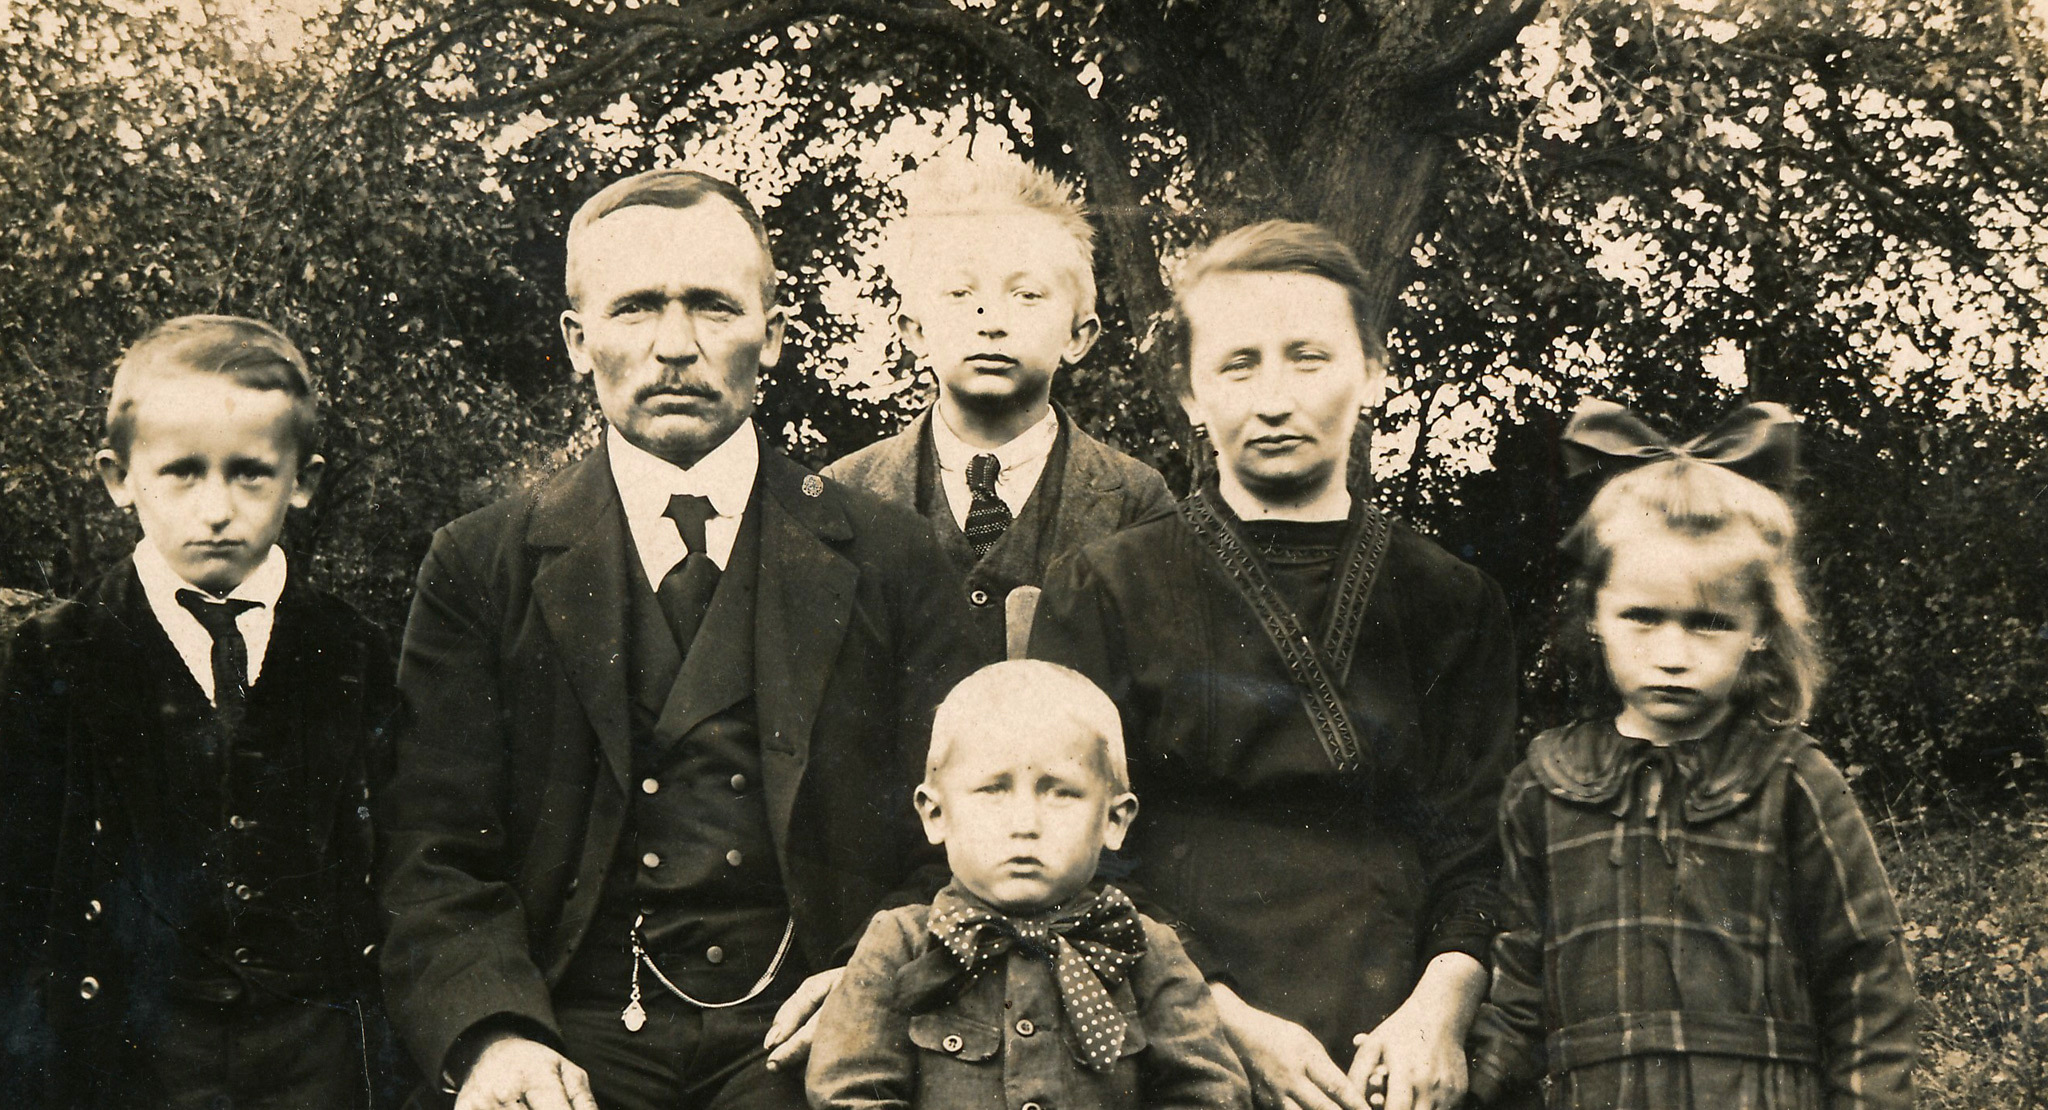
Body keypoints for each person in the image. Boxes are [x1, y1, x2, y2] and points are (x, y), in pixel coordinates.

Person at [376, 169, 968, 1110]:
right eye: (636, 307)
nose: (676, 345)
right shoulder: (481, 565)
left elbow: (961, 835)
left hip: (814, 1028)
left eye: (713, 306)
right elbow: (432, 853)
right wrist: (492, 1035)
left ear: (772, 334)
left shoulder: (894, 558)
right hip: (564, 1027)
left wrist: (878, 978)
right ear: (579, 342)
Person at [1029, 220, 1518, 1110]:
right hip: (1176, 1024)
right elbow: (1077, 850)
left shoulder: (1451, 598)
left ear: (1372, 372)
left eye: (1308, 358)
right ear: (1191, 392)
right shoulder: (1105, 588)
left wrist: (1440, 1014)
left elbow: (1476, 847)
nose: (1274, 399)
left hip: (1398, 1038)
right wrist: (1219, 1022)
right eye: (1239, 365)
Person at [1464, 400, 1916, 1110]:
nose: (1672, 655)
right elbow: (1520, 989)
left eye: (1708, 623)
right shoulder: (1544, 786)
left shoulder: (1792, 779)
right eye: (1643, 617)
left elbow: (1867, 974)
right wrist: (1470, 1085)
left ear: (1760, 629)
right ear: (1595, 615)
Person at [0, 316, 401, 1109]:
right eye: (181, 472)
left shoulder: (356, 651)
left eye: (250, 474)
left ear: (303, 480)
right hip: (122, 1059)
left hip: (316, 1064)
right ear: (119, 477)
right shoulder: (47, 660)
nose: (215, 509)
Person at [806, 660, 1250, 1110]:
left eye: (1061, 792)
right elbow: (851, 1092)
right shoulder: (901, 944)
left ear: (1114, 820)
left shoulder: (1142, 949)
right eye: (992, 790)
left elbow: (1208, 1095)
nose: (1025, 824)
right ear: (935, 814)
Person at [824, 157, 1172, 663]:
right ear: (915, 331)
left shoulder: (1136, 501)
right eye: (960, 292)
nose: (991, 321)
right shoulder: (843, 491)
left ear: (1078, 336)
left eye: (1026, 294)